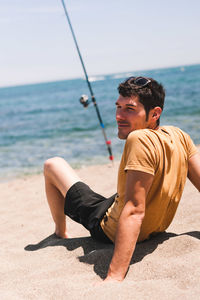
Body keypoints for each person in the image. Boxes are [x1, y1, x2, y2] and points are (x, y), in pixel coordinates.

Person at [43, 76, 200, 282]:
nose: (118, 115)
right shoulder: (179, 135)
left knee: (52, 164)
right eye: (118, 107)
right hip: (141, 219)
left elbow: (134, 210)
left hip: (107, 226)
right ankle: (61, 231)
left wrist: (114, 277)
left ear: (155, 114)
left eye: (129, 109)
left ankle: (60, 232)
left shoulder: (138, 139)